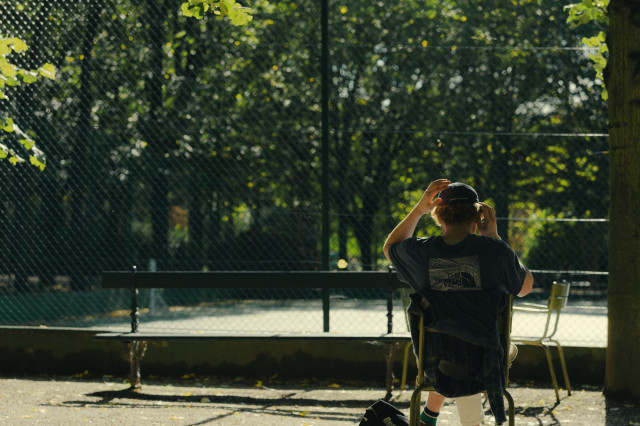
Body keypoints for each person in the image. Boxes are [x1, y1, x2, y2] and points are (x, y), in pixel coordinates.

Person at [383, 179, 533, 426]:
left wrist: (418, 210)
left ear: (438, 215)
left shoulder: (422, 253)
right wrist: (495, 238)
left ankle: (429, 416)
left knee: (456, 354)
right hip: (486, 358)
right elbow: (525, 287)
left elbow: (390, 248)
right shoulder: (494, 252)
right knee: (487, 351)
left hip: (434, 360)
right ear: (478, 218)